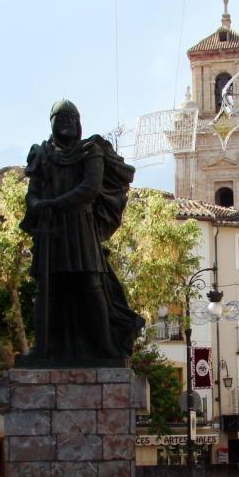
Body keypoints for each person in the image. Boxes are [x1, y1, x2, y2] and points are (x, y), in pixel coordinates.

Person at [18, 100, 143, 363]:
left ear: (79, 122)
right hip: (49, 229)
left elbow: (90, 187)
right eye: (61, 118)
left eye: (71, 118)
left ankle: (106, 346)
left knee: (91, 285)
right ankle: (41, 348)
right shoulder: (41, 153)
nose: (67, 123)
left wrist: (54, 203)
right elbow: (33, 192)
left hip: (80, 226)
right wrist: (37, 204)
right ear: (52, 122)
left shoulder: (90, 151)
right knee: (46, 289)